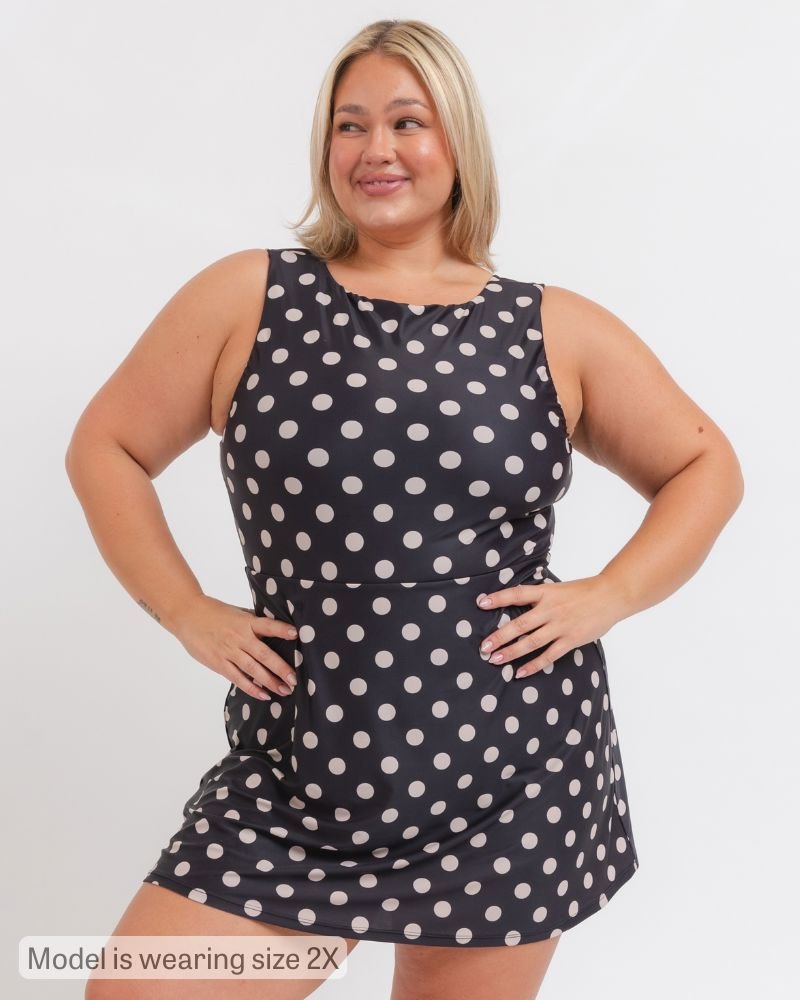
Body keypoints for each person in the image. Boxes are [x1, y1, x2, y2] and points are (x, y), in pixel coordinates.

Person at [68, 17, 744, 1000]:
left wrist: (610, 593)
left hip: (512, 770)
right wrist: (182, 608)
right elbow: (107, 446)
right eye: (349, 126)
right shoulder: (247, 297)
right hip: (301, 770)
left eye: (406, 122)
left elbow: (704, 465)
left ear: (458, 142)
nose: (374, 149)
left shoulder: (550, 327)